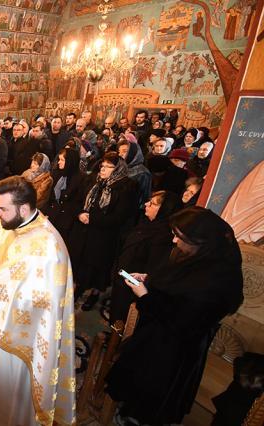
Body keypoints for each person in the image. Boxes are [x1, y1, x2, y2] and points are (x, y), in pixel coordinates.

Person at [106, 207, 243, 425]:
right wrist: (149, 279)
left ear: (201, 241)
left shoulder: (218, 280)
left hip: (175, 349)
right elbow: (176, 283)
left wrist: (144, 296)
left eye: (179, 237)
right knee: (135, 383)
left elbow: (182, 319)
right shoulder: (195, 256)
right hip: (155, 337)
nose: (174, 241)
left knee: (151, 398)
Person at [0, 176, 75, 426]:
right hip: (5, 325)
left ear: (24, 208)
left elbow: (32, 300)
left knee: (13, 394)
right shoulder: (18, 224)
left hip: (23, 337)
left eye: (2, 209)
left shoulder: (46, 246)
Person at [68, 152, 138, 310]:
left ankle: (94, 293)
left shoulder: (126, 187)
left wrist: (92, 219)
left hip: (105, 235)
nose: (103, 169)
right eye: (102, 166)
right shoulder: (94, 180)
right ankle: (79, 288)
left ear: (118, 169)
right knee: (82, 263)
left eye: (108, 167)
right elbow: (78, 200)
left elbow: (120, 216)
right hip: (84, 230)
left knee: (97, 266)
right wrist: (80, 213)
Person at [109, 190, 181, 324]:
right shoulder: (146, 223)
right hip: (123, 279)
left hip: (133, 289)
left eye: (153, 204)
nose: (146, 204)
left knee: (122, 320)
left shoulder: (164, 237)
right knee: (115, 314)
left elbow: (152, 269)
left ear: (164, 211)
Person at [47, 148, 87, 240]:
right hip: (53, 216)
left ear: (70, 161)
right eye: (59, 159)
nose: (58, 162)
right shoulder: (57, 174)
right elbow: (51, 196)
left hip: (67, 221)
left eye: (62, 160)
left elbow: (77, 201)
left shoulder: (80, 179)